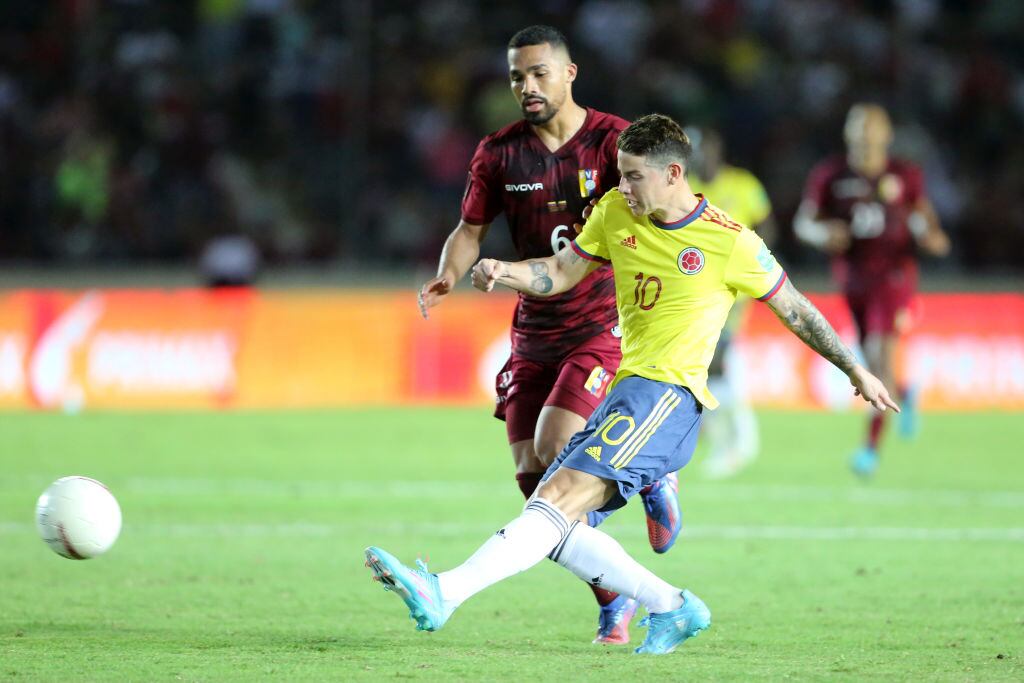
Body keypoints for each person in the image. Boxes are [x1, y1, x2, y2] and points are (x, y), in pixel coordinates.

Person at [367, 114, 899, 655]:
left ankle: (445, 593)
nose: (621, 186)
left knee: (555, 500)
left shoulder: (729, 241)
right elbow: (562, 270)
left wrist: (854, 369)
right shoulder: (615, 211)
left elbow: (796, 310)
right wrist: (508, 272)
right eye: (620, 174)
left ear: (673, 174)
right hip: (627, 391)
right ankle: (671, 605)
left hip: (669, 397)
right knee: (553, 522)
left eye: (633, 176)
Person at [415, 25, 680, 644]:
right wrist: (446, 275)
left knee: (557, 443)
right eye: (515, 77)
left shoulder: (616, 142)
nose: (526, 87)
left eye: (537, 73)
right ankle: (614, 596)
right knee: (537, 485)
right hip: (534, 327)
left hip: (602, 320)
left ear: (570, 73)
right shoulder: (499, 153)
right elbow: (470, 230)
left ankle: (649, 469)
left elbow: (668, 208)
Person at [794, 103, 949, 477]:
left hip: (894, 279)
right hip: (853, 279)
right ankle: (906, 389)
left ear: (886, 134)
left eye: (872, 128)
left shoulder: (905, 176)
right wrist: (821, 233)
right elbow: (804, 223)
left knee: (879, 358)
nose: (865, 135)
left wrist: (927, 235)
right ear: (848, 133)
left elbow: (931, 230)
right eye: (858, 127)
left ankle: (869, 450)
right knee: (875, 363)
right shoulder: (830, 175)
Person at [686, 127, 776, 478]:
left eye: (706, 148)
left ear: (718, 150)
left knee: (717, 360)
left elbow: (769, 227)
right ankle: (727, 438)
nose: (701, 156)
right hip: (693, 289)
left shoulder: (744, 185)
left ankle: (740, 441)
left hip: (731, 287)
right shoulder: (681, 188)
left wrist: (753, 262)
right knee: (707, 366)